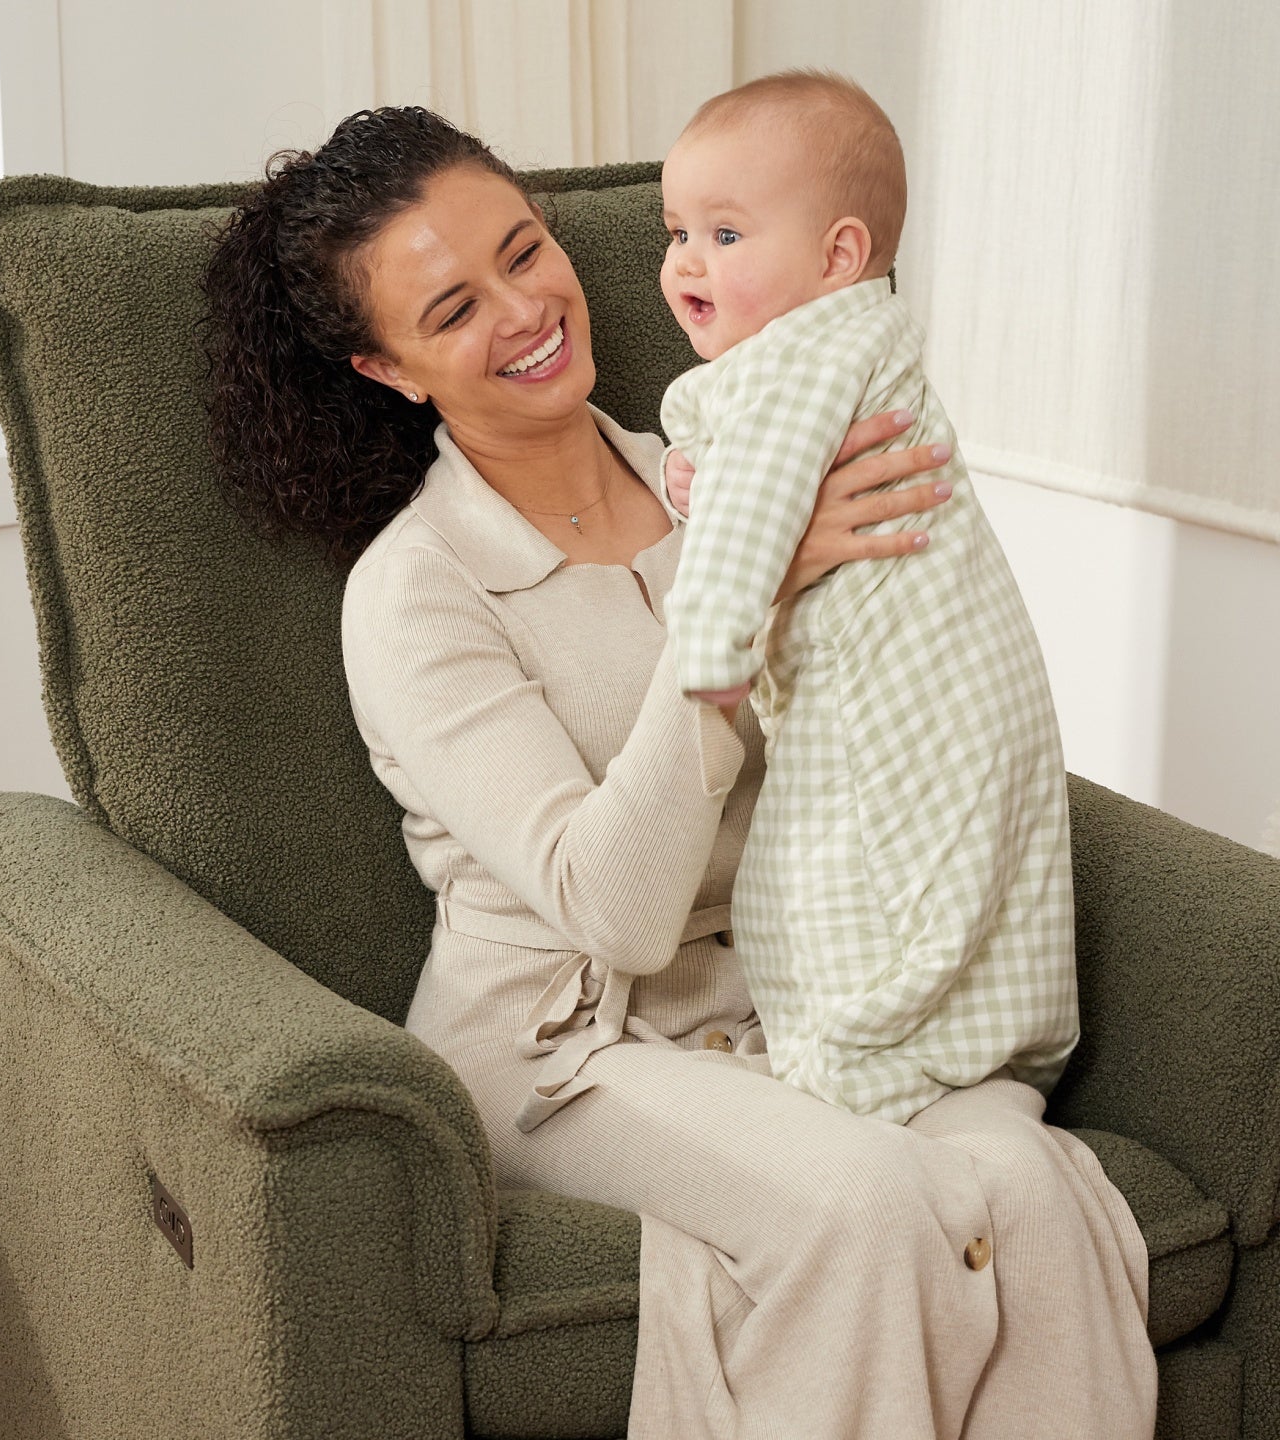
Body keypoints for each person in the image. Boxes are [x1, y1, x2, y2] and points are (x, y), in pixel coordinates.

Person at [202, 105, 1156, 1439]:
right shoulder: (416, 596)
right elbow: (618, 911)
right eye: (457, 308)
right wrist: (749, 593)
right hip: (565, 1051)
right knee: (866, 1204)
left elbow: (921, 690)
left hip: (805, 1008)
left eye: (526, 250)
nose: (527, 309)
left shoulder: (727, 473)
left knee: (1034, 1196)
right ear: (389, 367)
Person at [657, 70, 1078, 1127]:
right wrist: (688, 474)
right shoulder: (858, 347)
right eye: (676, 231)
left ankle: (860, 1060)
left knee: (838, 868)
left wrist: (706, 650)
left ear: (839, 258)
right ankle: (987, 1034)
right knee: (970, 857)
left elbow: (752, 511)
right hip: (973, 670)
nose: (684, 262)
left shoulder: (806, 354)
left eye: (724, 234)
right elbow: (740, 474)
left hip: (896, 678)